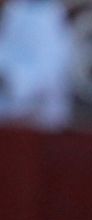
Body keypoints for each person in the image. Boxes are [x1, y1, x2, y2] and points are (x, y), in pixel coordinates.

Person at [0, 0, 74, 130]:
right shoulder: (13, 10)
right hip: (7, 119)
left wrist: (11, 80)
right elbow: (6, 51)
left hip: (41, 123)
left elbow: (50, 71)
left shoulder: (50, 15)